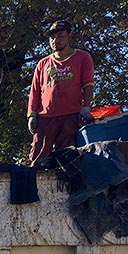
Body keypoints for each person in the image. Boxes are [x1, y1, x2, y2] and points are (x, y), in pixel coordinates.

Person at [27, 20, 95, 162]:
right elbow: (34, 91)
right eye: (52, 37)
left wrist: (86, 108)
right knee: (38, 158)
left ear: (70, 36)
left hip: (70, 116)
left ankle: (65, 184)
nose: (55, 40)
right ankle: (34, 182)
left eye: (60, 36)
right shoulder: (43, 63)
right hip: (46, 118)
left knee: (67, 158)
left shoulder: (82, 57)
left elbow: (88, 85)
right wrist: (31, 115)